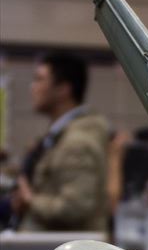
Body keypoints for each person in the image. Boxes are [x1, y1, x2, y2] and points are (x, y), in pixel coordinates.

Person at [10, 51, 109, 232]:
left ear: (63, 89)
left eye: (39, 79)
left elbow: (75, 207)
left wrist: (29, 200)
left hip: (62, 247)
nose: (32, 87)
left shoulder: (77, 142)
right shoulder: (60, 136)